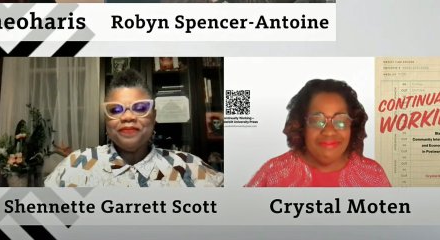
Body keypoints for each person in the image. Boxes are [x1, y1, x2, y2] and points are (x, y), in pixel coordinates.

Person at [45, 69, 224, 187]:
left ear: (154, 116)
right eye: (115, 109)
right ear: (106, 119)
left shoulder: (191, 168)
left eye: (140, 108)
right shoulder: (73, 167)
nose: (128, 117)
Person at [246, 79, 391, 187]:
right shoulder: (273, 174)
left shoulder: (373, 174)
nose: (329, 131)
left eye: (340, 121)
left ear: (352, 127)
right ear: (301, 126)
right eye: (317, 121)